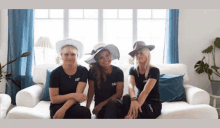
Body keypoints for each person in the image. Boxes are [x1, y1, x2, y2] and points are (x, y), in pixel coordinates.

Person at [49, 39, 91, 119]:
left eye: (73, 54)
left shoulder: (83, 71)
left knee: (85, 112)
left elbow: (78, 95)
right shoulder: (55, 73)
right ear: (61, 55)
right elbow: (54, 99)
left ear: (77, 55)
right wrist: (73, 95)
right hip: (57, 106)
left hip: (73, 104)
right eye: (66, 54)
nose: (70, 57)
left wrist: (63, 109)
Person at [121, 41, 162, 119]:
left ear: (147, 54)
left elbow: (145, 92)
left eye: (141, 53)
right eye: (136, 53)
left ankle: (131, 116)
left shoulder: (154, 70)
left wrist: (134, 110)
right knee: (126, 98)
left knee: (139, 110)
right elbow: (130, 86)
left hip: (153, 103)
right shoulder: (133, 70)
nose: (138, 55)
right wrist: (133, 100)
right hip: (138, 101)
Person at [85, 43, 124, 119]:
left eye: (107, 55)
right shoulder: (92, 71)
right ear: (97, 60)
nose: (105, 59)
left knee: (114, 103)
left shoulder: (118, 72)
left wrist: (101, 105)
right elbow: (91, 91)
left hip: (115, 105)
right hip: (100, 108)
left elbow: (119, 94)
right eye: (101, 57)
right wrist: (87, 108)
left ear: (110, 56)